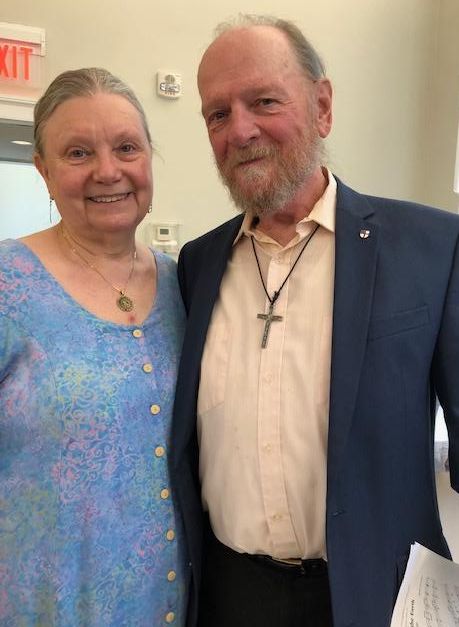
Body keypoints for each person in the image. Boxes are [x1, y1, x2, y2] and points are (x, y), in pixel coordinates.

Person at [170, 14, 459, 627]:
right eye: (217, 114)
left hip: (377, 593)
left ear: (322, 107)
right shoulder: (197, 264)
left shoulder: (432, 248)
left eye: (264, 101)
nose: (240, 130)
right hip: (230, 596)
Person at [0, 68, 188, 626]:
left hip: (171, 608)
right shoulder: (9, 285)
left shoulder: (184, 285)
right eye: (78, 153)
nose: (108, 171)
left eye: (126, 147)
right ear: (44, 170)